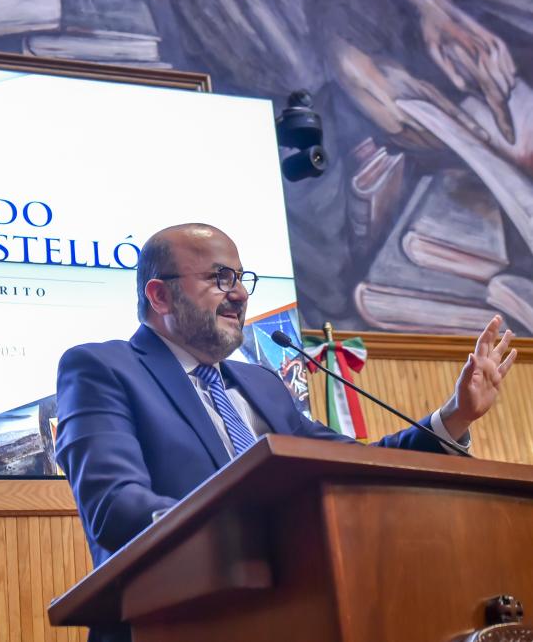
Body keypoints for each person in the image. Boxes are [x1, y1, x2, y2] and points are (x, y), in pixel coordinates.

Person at [55, 223, 517, 617]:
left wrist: (455, 416)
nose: (239, 294)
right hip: (171, 619)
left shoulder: (263, 385)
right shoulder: (103, 369)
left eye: (241, 279)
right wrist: (258, 531)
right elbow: (115, 508)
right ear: (160, 295)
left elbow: (358, 465)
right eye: (220, 278)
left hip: (292, 613)